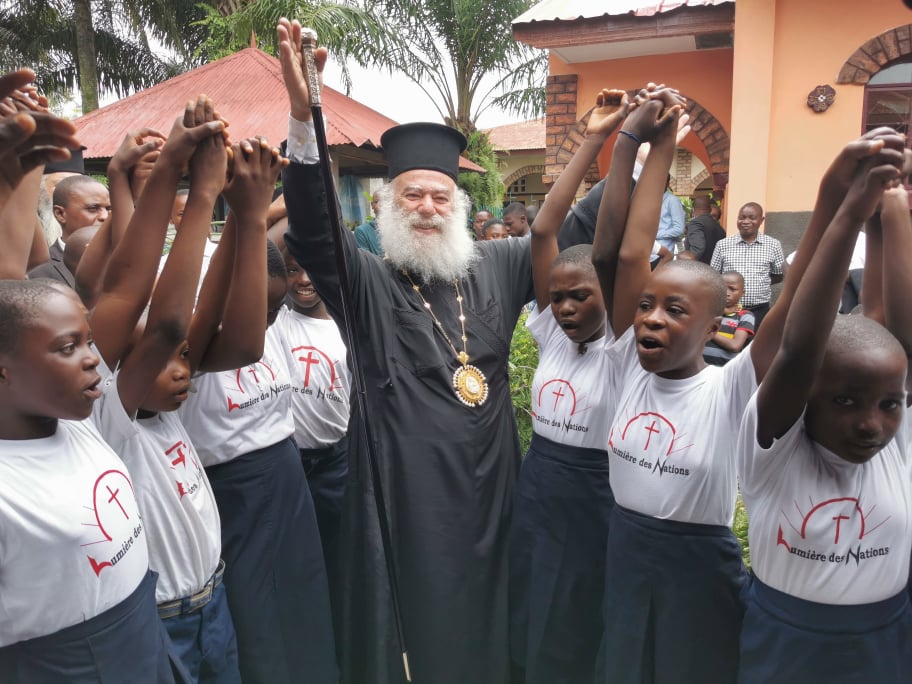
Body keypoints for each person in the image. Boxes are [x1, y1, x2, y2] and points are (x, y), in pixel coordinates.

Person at [277, 19, 535, 684]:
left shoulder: (499, 266)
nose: (425, 206)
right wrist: (304, 111)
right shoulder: (366, 281)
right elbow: (311, 230)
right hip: (408, 495)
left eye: (438, 195)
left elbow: (577, 236)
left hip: (494, 491)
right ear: (389, 204)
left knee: (492, 624)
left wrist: (619, 147)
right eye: (411, 195)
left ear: (460, 205)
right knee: (418, 631)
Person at [590, 86, 793, 684]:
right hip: (623, 547)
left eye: (676, 311)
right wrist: (643, 140)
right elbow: (626, 253)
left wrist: (846, 208)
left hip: (697, 569)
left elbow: (793, 328)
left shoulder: (730, 390)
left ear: (715, 324)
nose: (651, 317)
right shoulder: (627, 361)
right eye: (647, 306)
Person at [737, 132, 912, 684]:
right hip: (788, 642)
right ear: (807, 397)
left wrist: (894, 210)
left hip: (886, 638)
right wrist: (847, 209)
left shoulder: (895, 441)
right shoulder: (775, 451)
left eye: (889, 405)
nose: (871, 424)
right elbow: (797, 350)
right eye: (844, 401)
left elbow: (898, 334)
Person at [89, 97, 248, 682]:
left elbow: (191, 325)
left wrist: (246, 211)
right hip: (163, 621)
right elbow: (165, 321)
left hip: (215, 602)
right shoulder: (114, 421)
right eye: (162, 362)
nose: (183, 370)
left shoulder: (168, 410)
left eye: (185, 362)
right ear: (123, 371)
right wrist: (199, 191)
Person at [508, 88, 628, 684]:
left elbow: (621, 249)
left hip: (596, 495)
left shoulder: (622, 349)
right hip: (539, 484)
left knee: (582, 612)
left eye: (582, 295)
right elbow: (544, 229)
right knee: (533, 600)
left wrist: (628, 148)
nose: (567, 307)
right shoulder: (553, 335)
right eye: (557, 298)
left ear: (610, 293)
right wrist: (593, 138)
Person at [273, 250, 351, 633]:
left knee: (339, 554)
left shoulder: (348, 325)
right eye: (292, 270)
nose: (303, 280)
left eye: (312, 268)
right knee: (299, 558)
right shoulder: (277, 324)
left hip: (337, 460)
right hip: (291, 462)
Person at [710, 201, 785, 330]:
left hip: (759, 310)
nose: (746, 221)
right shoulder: (723, 245)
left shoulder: (773, 245)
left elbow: (778, 274)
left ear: (761, 220)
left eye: (752, 218)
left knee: (754, 348)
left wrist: (761, 282)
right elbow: (714, 276)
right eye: (742, 217)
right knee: (728, 345)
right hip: (728, 311)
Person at [27, 174, 110, 286]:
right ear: (60, 214)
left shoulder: (125, 261)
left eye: (108, 209)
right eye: (93, 209)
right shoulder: (37, 272)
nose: (105, 216)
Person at [703, 270, 755, 366]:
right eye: (722, 288)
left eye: (732, 289)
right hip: (698, 369)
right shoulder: (706, 310)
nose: (727, 293)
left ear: (742, 293)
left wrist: (708, 331)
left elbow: (735, 346)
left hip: (724, 369)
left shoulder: (745, 315)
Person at [684, 194, 725, 264]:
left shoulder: (696, 223)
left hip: (699, 269)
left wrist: (687, 265)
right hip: (714, 268)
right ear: (709, 210)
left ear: (693, 210)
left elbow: (697, 248)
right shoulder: (718, 226)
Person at [655, 174, 685, 257]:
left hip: (663, 253)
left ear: (667, 183)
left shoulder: (672, 201)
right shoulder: (649, 200)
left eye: (661, 181)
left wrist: (655, 235)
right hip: (647, 253)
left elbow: (679, 229)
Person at [354, 190, 384, 255]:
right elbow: (366, 261)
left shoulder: (401, 229)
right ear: (372, 205)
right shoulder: (362, 231)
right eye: (377, 202)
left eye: (386, 202)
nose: (382, 206)